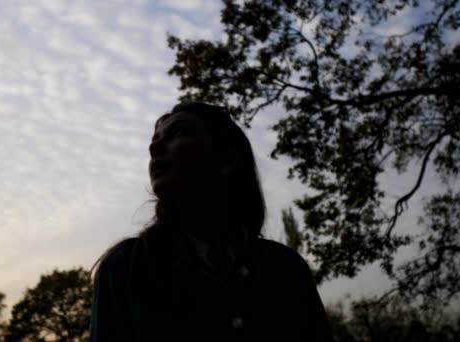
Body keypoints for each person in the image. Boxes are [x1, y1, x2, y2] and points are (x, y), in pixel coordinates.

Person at [89, 102, 334, 341]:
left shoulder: (287, 271)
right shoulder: (125, 268)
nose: (155, 149)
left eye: (180, 132)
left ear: (227, 160)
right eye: (154, 142)